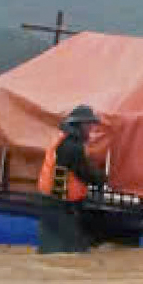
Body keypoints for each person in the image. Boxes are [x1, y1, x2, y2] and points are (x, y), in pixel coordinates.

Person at [36, 104, 106, 254]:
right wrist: (102, 179)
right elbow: (83, 172)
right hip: (60, 206)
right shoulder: (72, 147)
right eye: (88, 125)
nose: (91, 129)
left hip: (53, 202)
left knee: (53, 249)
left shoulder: (65, 140)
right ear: (79, 125)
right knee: (73, 251)